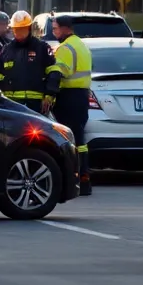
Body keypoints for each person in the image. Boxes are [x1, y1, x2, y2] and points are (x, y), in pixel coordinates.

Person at [51, 14, 94, 196]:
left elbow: (58, 73)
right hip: (81, 96)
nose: (54, 32)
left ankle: (73, 178)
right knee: (80, 138)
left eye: (55, 28)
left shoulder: (65, 48)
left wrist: (49, 91)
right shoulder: (81, 45)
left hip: (68, 96)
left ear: (65, 28)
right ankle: (84, 178)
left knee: (67, 138)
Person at [0, 11, 59, 114]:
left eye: (22, 29)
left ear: (29, 28)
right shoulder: (7, 50)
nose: (19, 33)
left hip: (36, 104)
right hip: (12, 104)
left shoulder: (42, 47)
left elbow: (54, 72)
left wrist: (50, 95)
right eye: (16, 30)